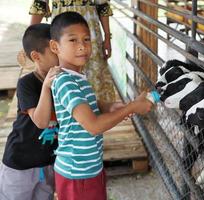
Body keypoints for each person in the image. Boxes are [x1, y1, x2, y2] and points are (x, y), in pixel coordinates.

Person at [49, 11, 153, 200]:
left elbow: (84, 106)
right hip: (77, 174)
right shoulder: (65, 82)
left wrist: (108, 107)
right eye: (73, 40)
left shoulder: (77, 77)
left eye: (87, 39)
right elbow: (93, 126)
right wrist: (131, 108)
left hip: (89, 167)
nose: (82, 46)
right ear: (55, 46)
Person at [0, 23, 60, 200]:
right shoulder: (27, 83)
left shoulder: (63, 81)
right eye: (54, 51)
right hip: (20, 163)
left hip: (48, 162)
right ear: (36, 56)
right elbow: (40, 121)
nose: (61, 54)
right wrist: (47, 87)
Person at [29, 0, 116, 102]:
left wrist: (107, 37)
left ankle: (97, 110)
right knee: (63, 72)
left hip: (89, 28)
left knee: (94, 73)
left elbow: (102, 4)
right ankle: (69, 111)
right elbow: (40, 3)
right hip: (62, 29)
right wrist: (31, 39)